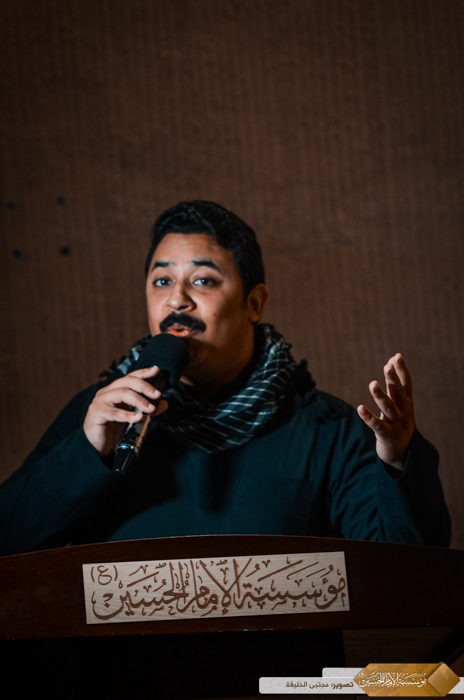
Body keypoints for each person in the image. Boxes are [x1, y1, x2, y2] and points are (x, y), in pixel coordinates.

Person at [0, 201, 451, 556]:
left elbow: (405, 572)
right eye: (161, 282)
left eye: (203, 281)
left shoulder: (327, 430)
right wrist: (87, 452)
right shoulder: (100, 416)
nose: (177, 300)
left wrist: (397, 462)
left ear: (253, 304)